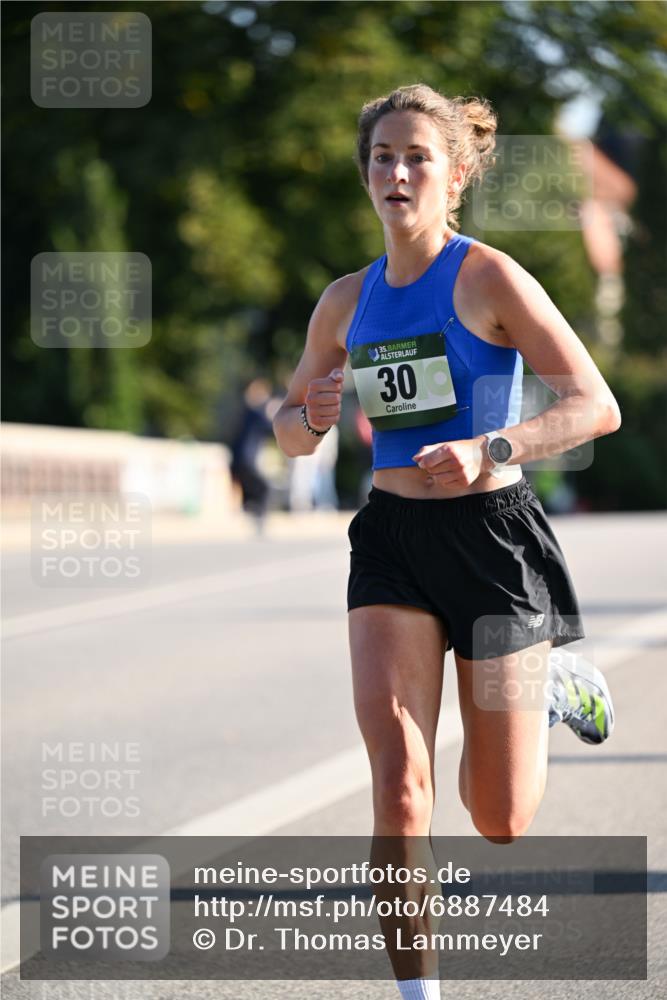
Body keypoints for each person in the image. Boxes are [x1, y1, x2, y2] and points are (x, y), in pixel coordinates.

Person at [272, 84, 620, 999]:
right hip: (389, 541)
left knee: (499, 816)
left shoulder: (490, 279)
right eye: (382, 156)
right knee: (398, 784)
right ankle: (418, 993)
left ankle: (549, 683)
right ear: (366, 175)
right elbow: (290, 431)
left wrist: (489, 446)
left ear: (454, 174)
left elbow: (595, 406)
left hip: (492, 543)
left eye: (417, 157)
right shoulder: (344, 302)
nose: (396, 172)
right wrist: (300, 414)